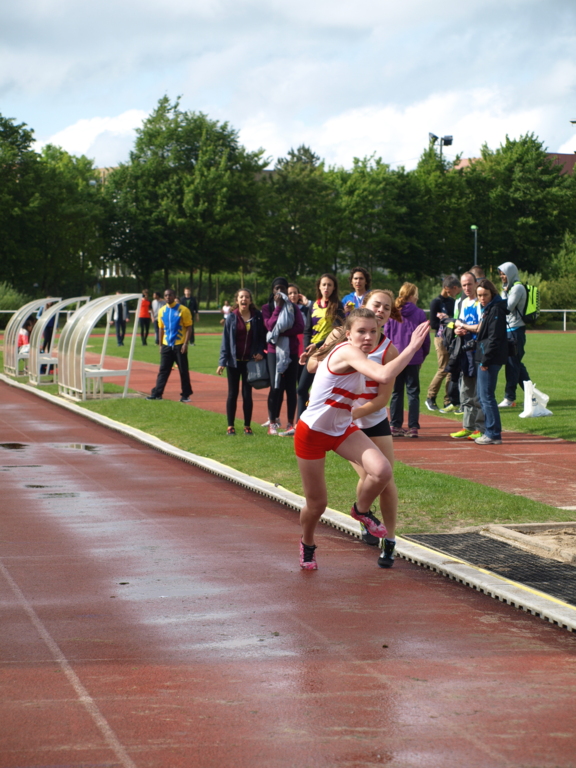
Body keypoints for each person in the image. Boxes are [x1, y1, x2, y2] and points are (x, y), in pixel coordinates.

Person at [295, 307, 430, 570]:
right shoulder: (347, 351)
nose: (368, 337)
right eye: (361, 332)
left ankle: (361, 510)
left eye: (373, 331)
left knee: (382, 471)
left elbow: (381, 384)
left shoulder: (363, 353)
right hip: (312, 432)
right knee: (317, 504)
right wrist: (412, 347)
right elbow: (383, 375)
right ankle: (307, 542)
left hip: (341, 429)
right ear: (348, 334)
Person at [307, 289, 403, 567]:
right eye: (376, 305)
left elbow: (383, 399)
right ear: (364, 305)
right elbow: (312, 366)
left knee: (387, 481)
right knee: (371, 475)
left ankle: (390, 540)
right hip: (343, 424)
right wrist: (321, 356)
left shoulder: (389, 350)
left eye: (387, 307)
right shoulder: (342, 336)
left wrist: (354, 412)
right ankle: (363, 514)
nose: (381, 310)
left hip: (372, 420)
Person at [217, 289, 266, 435]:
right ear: (237, 300)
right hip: (233, 362)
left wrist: (260, 351)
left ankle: (247, 426)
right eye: (241, 297)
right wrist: (222, 362)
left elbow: (262, 337)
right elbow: (226, 341)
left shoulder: (257, 317)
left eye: (247, 297)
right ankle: (230, 426)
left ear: (250, 300)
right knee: (232, 394)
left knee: (247, 394)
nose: (244, 299)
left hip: (249, 363)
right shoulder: (231, 318)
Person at [384, 283, 430, 438]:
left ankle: (395, 425)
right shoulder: (419, 313)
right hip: (413, 357)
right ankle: (413, 427)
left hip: (396, 357)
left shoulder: (393, 312)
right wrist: (423, 355)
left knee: (396, 392)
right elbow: (425, 338)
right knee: (413, 393)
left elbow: (386, 336)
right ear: (412, 296)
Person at [297, 273, 345, 420]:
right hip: (312, 353)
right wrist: (306, 350)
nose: (326, 287)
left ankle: (324, 423)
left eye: (329, 285)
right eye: (324, 284)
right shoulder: (313, 305)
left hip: (329, 352)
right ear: (319, 286)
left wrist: (318, 345)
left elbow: (338, 332)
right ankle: (300, 423)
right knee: (302, 389)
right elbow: (307, 330)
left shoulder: (338, 306)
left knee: (324, 392)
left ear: (334, 288)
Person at [261, 277, 304, 435]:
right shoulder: (267, 307)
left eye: (283, 289)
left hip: (291, 350)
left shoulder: (293, 307)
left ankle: (290, 423)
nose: (280, 292)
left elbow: (300, 327)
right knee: (276, 386)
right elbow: (269, 325)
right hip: (273, 351)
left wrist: (281, 332)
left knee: (291, 388)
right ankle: (272, 422)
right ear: (273, 290)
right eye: (277, 288)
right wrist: (278, 307)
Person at [474, 279, 508, 445]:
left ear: (492, 293)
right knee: (483, 397)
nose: (482, 298)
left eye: (485, 295)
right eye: (479, 295)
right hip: (486, 356)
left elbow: (494, 338)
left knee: (486, 397)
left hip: (490, 359)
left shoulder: (495, 309)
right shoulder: (489, 308)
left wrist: (485, 360)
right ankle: (491, 432)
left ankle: (493, 433)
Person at [146, 289, 193, 403]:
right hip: (167, 345)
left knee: (183, 370)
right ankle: (157, 393)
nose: (168, 297)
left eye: (170, 295)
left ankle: (185, 395)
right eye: (166, 295)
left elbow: (189, 327)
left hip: (179, 344)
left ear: (174, 296)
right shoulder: (162, 311)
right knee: (163, 370)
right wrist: (160, 345)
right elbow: (161, 328)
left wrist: (185, 343)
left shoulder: (183, 310)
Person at [497, 262, 530, 408]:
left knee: (512, 365)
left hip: (515, 330)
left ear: (511, 273)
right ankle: (532, 395)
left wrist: (504, 292)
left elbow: (507, 308)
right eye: (500, 274)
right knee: (516, 365)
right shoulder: (510, 288)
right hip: (510, 330)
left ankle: (509, 398)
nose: (502, 276)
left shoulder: (517, 288)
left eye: (504, 273)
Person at [426, 276, 461, 411]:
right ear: (447, 288)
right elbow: (433, 324)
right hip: (441, 338)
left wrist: (448, 319)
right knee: (443, 369)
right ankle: (430, 397)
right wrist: (446, 321)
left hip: (452, 338)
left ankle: (448, 400)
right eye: (455, 290)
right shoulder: (436, 302)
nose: (456, 293)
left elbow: (455, 319)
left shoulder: (452, 302)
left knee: (451, 370)